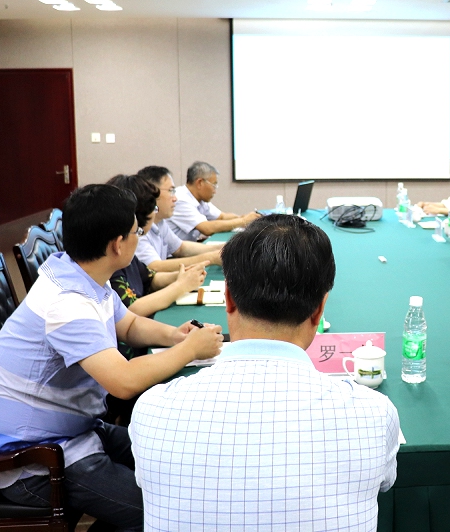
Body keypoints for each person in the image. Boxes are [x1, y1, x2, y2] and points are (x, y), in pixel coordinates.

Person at [130, 215, 399, 531]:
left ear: (229, 299)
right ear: (319, 309)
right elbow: (386, 482)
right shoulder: (374, 414)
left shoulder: (152, 410)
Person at [0, 184, 223, 530]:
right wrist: (189, 350)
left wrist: (175, 336)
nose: (140, 237)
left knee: (176, 453)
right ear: (117, 245)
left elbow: (128, 324)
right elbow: (124, 381)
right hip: (36, 462)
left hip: (77, 431)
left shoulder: (82, 271)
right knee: (162, 512)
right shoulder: (67, 301)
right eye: (137, 232)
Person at [106, 175, 207, 321]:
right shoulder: (111, 260)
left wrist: (180, 276)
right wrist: (180, 286)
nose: (155, 213)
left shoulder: (128, 254)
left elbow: (150, 278)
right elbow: (131, 310)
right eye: (153, 208)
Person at [136, 166, 224, 272]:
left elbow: (180, 248)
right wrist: (210, 258)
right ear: (152, 193)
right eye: (171, 191)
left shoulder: (159, 222)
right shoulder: (138, 227)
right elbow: (154, 267)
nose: (175, 198)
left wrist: (220, 248)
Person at [167, 161, 261, 241]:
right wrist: (243, 221)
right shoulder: (180, 199)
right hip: (173, 254)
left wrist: (244, 217)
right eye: (214, 185)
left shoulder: (200, 200)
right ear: (200, 183)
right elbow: (207, 228)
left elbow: (222, 217)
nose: (215, 191)